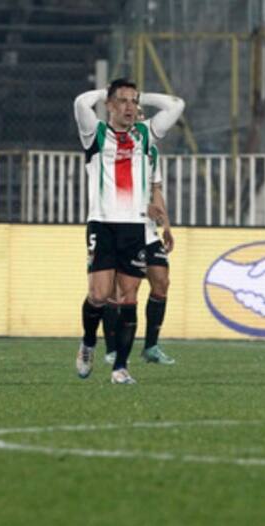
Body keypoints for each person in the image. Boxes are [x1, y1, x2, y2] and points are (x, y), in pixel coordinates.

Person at [73, 78, 184, 385]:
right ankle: (88, 343)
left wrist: (142, 95)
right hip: (103, 222)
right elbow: (80, 103)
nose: (129, 107)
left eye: (134, 102)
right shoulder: (94, 134)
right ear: (109, 105)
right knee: (99, 294)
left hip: (135, 226)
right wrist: (106, 89)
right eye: (121, 101)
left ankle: (120, 367)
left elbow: (177, 105)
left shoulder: (146, 134)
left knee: (128, 296)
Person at [103, 141, 176, 366]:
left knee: (161, 282)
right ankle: (112, 349)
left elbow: (156, 190)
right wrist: (144, 208)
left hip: (148, 231)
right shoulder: (112, 148)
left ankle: (151, 347)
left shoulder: (150, 150)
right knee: (122, 290)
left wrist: (166, 225)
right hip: (122, 226)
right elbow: (111, 192)